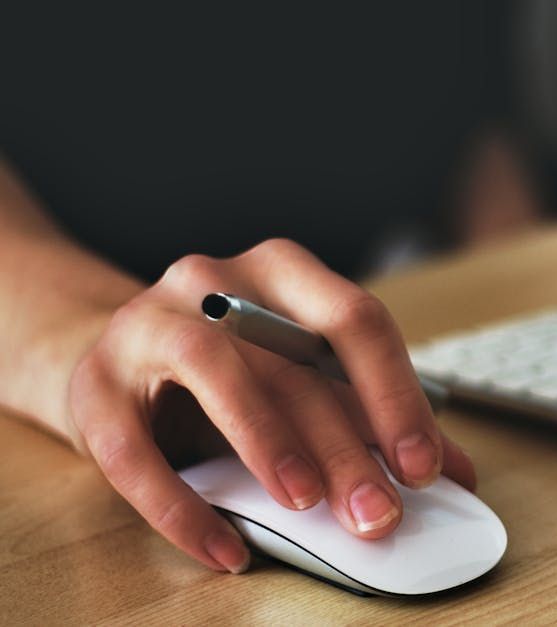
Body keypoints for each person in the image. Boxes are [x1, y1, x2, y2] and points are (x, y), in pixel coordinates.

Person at [0, 3, 526, 576]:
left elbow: (480, 133)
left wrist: (530, 326)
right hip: (107, 315)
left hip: (344, 345)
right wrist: (95, 340)